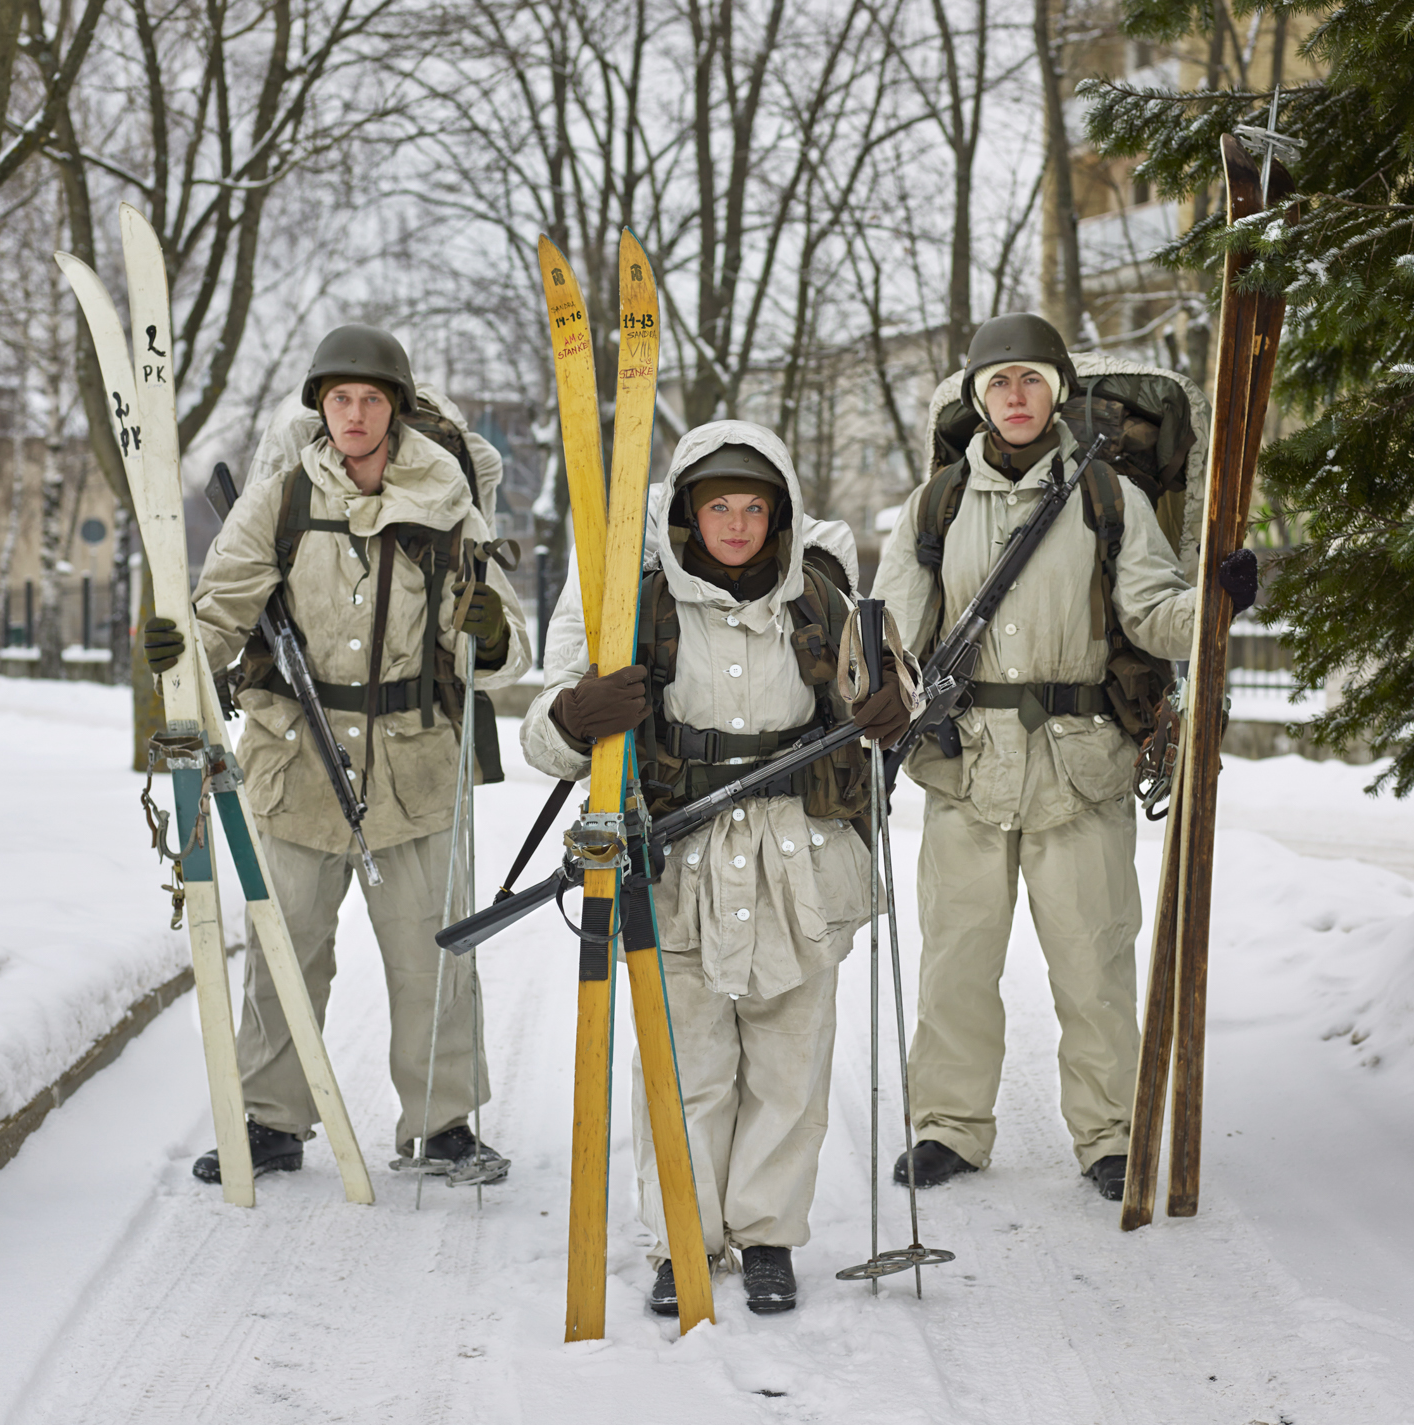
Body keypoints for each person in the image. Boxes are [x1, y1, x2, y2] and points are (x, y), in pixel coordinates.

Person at [521, 420, 909, 1314]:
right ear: (690, 516)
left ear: (778, 516)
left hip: (800, 864)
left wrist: (894, 703)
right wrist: (578, 713)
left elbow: (889, 695)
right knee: (684, 1066)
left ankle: (768, 1236)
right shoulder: (634, 601)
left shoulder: (820, 599)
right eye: (718, 506)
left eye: (754, 507)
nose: (736, 523)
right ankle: (683, 1242)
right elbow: (542, 731)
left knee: (789, 1067)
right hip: (674, 867)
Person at [870, 312, 1255, 1201]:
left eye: (1031, 380)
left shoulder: (1107, 495)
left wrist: (1213, 602)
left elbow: (1154, 611)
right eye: (998, 381)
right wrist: (873, 690)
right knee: (957, 959)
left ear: (1057, 393)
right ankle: (948, 1127)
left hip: (1081, 766)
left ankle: (1110, 1133)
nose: (1015, 396)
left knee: (1094, 960)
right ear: (977, 397)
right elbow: (891, 628)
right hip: (967, 763)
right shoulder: (937, 507)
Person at [142, 324, 532, 1185]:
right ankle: (271, 1120)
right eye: (339, 398)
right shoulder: (280, 497)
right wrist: (180, 648)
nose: (354, 414)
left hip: (417, 766)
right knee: (286, 945)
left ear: (394, 408)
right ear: (320, 406)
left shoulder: (443, 500)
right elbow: (224, 605)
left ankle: (444, 1127)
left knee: (433, 953)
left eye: (371, 399)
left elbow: (509, 650)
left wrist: (489, 630)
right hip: (294, 762)